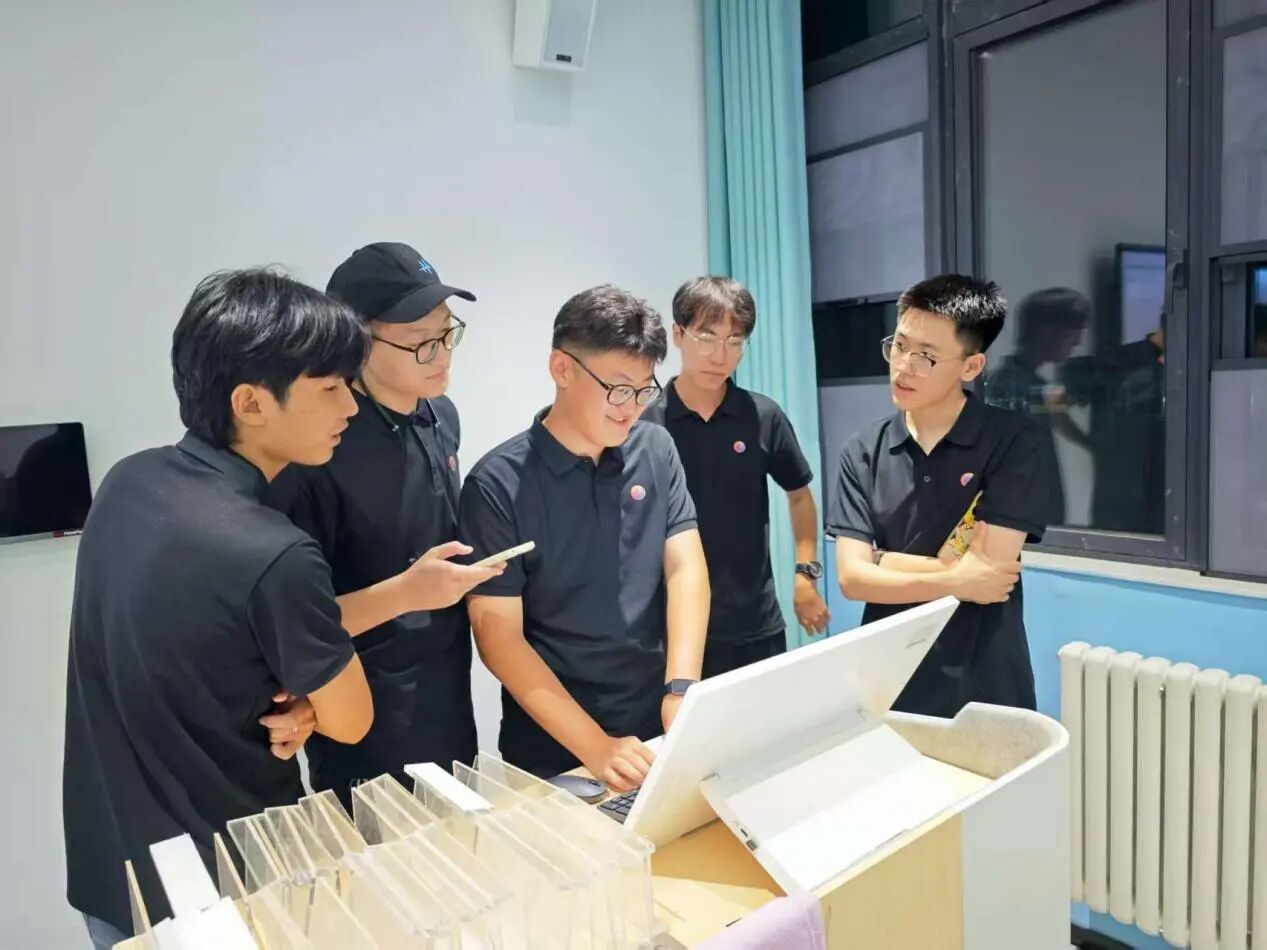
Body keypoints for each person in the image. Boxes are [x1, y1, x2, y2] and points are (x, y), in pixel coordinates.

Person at [63, 269, 375, 948]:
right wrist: (314, 705)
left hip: (113, 871)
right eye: (330, 388)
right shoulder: (274, 552)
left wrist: (300, 695)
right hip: (228, 885)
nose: (351, 407)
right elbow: (353, 720)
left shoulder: (127, 482)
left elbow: (202, 647)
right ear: (251, 403)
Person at [263, 242, 502, 807]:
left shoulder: (440, 414)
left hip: (447, 690)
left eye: (448, 334)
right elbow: (295, 621)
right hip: (360, 712)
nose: (442, 355)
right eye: (421, 342)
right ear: (358, 341)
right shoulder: (319, 446)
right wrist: (407, 593)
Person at [458, 285, 710, 790]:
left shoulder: (655, 448)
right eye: (618, 388)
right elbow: (498, 636)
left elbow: (686, 567)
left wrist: (681, 688)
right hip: (554, 744)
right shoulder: (497, 484)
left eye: (644, 390)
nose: (630, 408)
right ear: (562, 368)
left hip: (654, 720)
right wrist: (596, 747)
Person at [827, 274, 1059, 718]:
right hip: (889, 678)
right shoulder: (863, 451)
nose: (903, 366)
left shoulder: (1014, 441)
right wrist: (955, 579)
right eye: (899, 346)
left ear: (971, 366)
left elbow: (989, 575)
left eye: (926, 357)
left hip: (985, 677)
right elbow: (852, 580)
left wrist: (881, 560)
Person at [641, 277, 829, 678]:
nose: (720, 355)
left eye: (734, 341)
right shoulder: (645, 423)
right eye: (706, 337)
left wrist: (806, 573)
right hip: (668, 626)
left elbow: (799, 494)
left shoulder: (763, 416)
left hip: (754, 624)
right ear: (678, 334)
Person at [986, 287, 1092, 524]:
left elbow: (1058, 417)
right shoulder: (1007, 385)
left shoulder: (1034, 385)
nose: (1077, 343)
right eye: (1071, 334)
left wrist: (1094, 446)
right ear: (1045, 332)